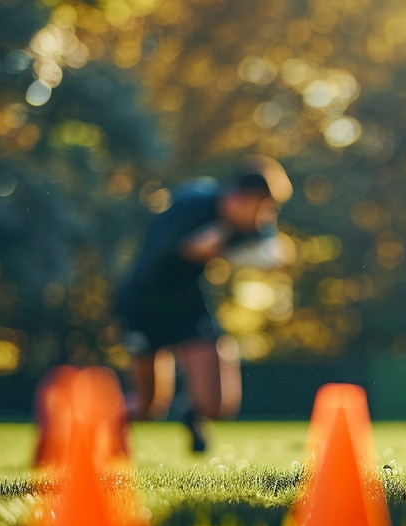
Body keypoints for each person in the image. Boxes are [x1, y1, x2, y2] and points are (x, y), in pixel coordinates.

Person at [115, 156, 293, 452]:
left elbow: (280, 255)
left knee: (218, 405)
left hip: (189, 302)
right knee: (149, 407)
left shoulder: (252, 222)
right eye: (263, 207)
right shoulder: (193, 206)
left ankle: (191, 414)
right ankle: (98, 430)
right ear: (241, 199)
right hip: (146, 303)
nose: (267, 217)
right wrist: (227, 238)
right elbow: (191, 249)